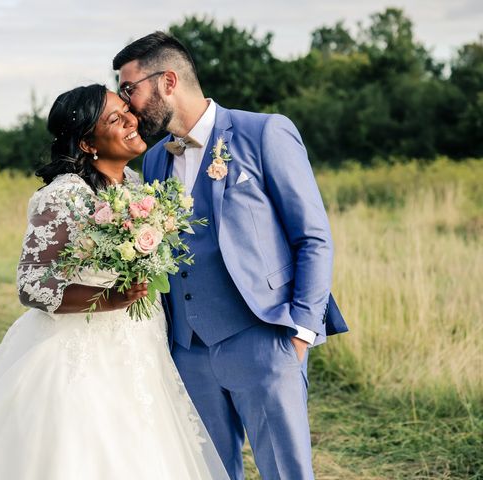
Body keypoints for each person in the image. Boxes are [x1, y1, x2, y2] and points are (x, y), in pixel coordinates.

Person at [0, 84, 229, 480]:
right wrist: (107, 299)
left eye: (127, 111)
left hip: (140, 342)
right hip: (79, 349)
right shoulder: (63, 196)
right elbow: (31, 285)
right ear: (88, 143)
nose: (131, 122)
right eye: (115, 119)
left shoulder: (138, 188)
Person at [113, 32, 349, 480]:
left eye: (130, 89)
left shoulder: (264, 132)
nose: (127, 104)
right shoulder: (157, 158)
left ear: (167, 81)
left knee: (285, 472)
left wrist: (299, 331)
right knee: (208, 472)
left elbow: (313, 237)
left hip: (264, 338)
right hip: (188, 348)